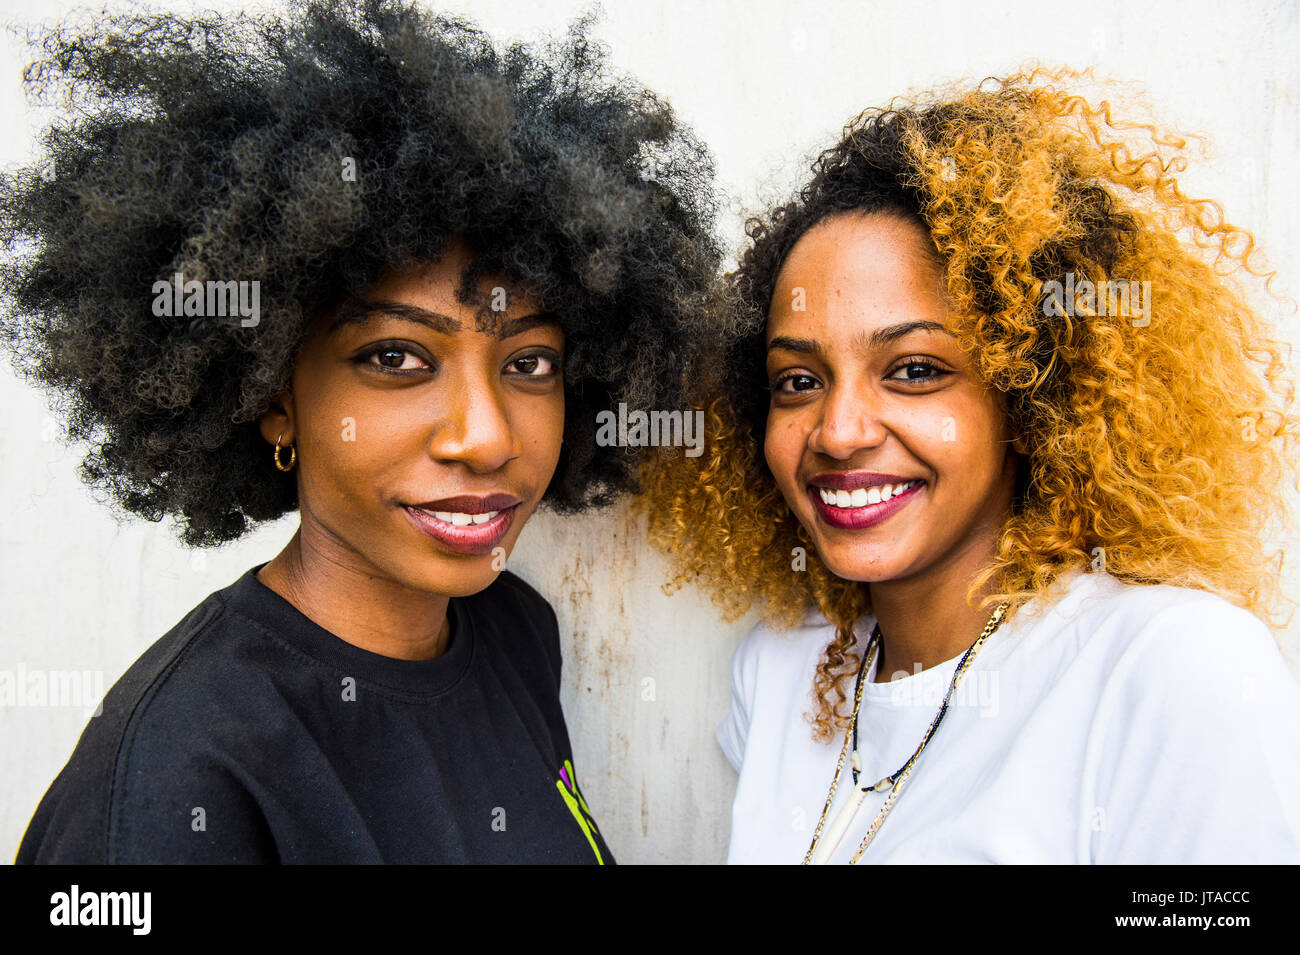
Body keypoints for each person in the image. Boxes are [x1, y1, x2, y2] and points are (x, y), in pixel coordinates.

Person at [3, 0, 719, 863]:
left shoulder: (513, 631)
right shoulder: (173, 781)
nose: (487, 438)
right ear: (275, 393)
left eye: (529, 363)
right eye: (396, 357)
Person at [642, 70, 1300, 863]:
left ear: (1028, 399)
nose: (839, 431)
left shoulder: (1169, 666)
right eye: (799, 381)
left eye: (915, 369)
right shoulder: (783, 672)